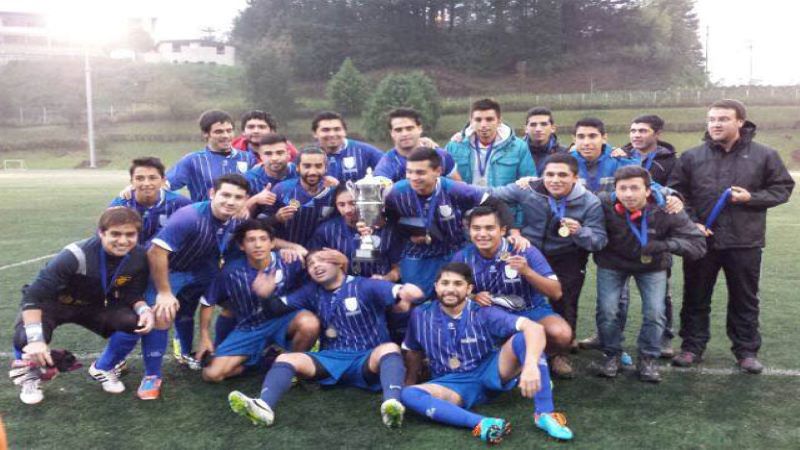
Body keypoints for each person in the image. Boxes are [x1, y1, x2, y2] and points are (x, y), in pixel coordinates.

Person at [226, 249, 425, 428]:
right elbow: (276, 309)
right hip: (330, 360)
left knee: (389, 348)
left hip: (366, 359)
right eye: (311, 264)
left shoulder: (365, 284)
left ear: (338, 263)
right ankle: (264, 406)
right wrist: (266, 296)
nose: (316, 266)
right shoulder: (311, 292)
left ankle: (391, 404)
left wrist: (406, 291)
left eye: (322, 260)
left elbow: (405, 293)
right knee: (286, 358)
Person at [668, 99, 795, 373]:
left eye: (723, 119)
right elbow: (676, 194)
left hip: (744, 241)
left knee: (744, 298)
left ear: (740, 122)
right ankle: (691, 347)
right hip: (701, 241)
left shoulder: (764, 155)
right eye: (711, 119)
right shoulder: (691, 157)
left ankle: (746, 351)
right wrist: (692, 224)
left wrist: (752, 197)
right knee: (695, 296)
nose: (715, 124)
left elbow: (783, 188)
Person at [400, 263, 573, 444]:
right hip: (452, 384)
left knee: (524, 339)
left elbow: (534, 327)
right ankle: (483, 423)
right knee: (409, 395)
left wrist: (530, 366)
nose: (450, 289)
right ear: (436, 286)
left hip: (490, 372)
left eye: (458, 284)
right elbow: (413, 349)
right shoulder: (420, 314)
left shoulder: (485, 312)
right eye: (445, 283)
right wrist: (409, 381)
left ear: (469, 289)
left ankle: (545, 414)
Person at [9, 208, 154, 404]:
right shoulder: (75, 255)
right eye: (115, 234)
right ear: (101, 233)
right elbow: (33, 296)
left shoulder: (139, 257)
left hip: (95, 305)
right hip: (55, 303)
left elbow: (132, 294)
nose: (123, 241)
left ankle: (103, 367)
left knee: (134, 322)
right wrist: (35, 339)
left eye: (130, 235)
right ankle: (30, 375)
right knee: (26, 335)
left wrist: (143, 309)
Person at [491, 153, 606, 377]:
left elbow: (599, 240)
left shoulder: (589, 201)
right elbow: (493, 196)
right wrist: (512, 227)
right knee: (514, 296)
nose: (555, 180)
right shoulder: (528, 189)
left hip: (567, 255)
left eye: (562, 175)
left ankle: (558, 355)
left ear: (575, 177)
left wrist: (580, 231)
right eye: (549, 174)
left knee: (564, 301)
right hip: (529, 251)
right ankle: (509, 346)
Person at [136, 174, 250, 399]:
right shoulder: (189, 216)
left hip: (200, 269)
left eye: (238, 197)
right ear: (212, 194)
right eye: (225, 195)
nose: (230, 201)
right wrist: (165, 292)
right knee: (162, 313)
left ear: (245, 200)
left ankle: (191, 351)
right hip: (169, 269)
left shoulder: (238, 219)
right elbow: (157, 251)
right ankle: (151, 376)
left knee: (200, 306)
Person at [594, 166, 706, 382]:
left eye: (635, 188)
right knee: (607, 311)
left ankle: (648, 358)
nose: (628, 194)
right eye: (622, 188)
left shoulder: (667, 208)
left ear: (648, 190)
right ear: (614, 190)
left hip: (652, 266)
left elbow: (697, 244)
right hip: (612, 264)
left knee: (655, 313)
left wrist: (665, 244)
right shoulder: (603, 203)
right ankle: (611, 355)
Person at [452, 204, 574, 373]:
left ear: (502, 230)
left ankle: (545, 356)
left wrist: (527, 272)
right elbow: (450, 293)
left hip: (530, 309)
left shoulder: (524, 250)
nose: (482, 234)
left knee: (561, 334)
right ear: (469, 230)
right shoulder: (463, 256)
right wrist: (473, 297)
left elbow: (556, 292)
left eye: (489, 228)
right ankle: (504, 355)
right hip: (492, 313)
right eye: (476, 228)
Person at [197, 219, 320, 382]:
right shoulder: (230, 271)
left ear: (272, 243)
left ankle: (291, 366)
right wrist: (204, 336)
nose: (258, 245)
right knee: (211, 374)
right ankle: (267, 361)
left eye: (263, 239)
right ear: (242, 246)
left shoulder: (290, 261)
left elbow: (313, 281)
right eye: (251, 240)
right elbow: (207, 301)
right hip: (250, 327)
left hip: (283, 320)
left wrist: (297, 250)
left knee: (309, 323)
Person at [384, 147, 492, 297]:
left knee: (457, 296)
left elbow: (491, 201)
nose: (414, 177)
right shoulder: (397, 192)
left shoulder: (454, 188)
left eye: (420, 172)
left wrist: (512, 231)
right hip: (418, 251)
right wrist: (408, 235)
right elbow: (390, 219)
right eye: (409, 172)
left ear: (438, 171)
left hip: (453, 249)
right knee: (415, 297)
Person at [622, 114, 679, 357]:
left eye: (642, 131)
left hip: (655, 231)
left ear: (657, 134)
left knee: (661, 290)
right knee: (616, 292)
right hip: (624, 230)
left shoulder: (670, 162)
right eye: (633, 130)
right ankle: (608, 335)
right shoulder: (620, 157)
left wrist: (675, 198)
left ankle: (664, 337)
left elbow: (676, 191)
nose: (636, 135)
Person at [309, 185, 402, 281]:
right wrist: (344, 264)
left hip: (380, 287)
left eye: (353, 203)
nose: (347, 210)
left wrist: (386, 279)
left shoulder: (386, 229)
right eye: (341, 205)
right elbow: (315, 265)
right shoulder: (326, 231)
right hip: (344, 289)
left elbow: (398, 268)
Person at [166, 110, 258, 202]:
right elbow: (164, 186)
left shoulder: (248, 158)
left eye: (229, 131)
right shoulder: (192, 160)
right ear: (205, 134)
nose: (226, 135)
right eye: (219, 132)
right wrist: (186, 206)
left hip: (240, 215)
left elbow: (257, 190)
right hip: (205, 216)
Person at [446, 98, 537, 187]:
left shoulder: (519, 147)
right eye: (478, 120)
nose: (483, 125)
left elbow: (529, 186)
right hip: (464, 202)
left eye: (489, 119)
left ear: (499, 120)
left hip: (503, 202)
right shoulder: (454, 146)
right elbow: (440, 180)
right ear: (471, 121)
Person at [258, 147, 336, 248]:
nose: (312, 172)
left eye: (318, 166)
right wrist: (276, 218)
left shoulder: (334, 191)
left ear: (325, 168)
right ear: (297, 167)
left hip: (322, 251)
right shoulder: (281, 189)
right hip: (288, 251)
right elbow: (259, 223)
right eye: (307, 166)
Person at [109, 157, 191, 244]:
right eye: (140, 178)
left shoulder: (180, 204)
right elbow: (105, 237)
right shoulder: (120, 205)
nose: (146, 183)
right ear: (132, 181)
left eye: (152, 178)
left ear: (163, 181)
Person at [373, 107, 460, 183]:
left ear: (419, 129)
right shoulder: (385, 165)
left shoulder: (442, 156)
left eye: (409, 128)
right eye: (398, 130)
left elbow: (460, 190)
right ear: (392, 133)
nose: (404, 134)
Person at [311, 111, 383, 183]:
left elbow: (389, 172)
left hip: (356, 194)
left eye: (337, 129)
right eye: (326, 130)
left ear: (345, 131)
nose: (332, 134)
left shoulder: (365, 151)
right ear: (315, 133)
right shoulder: (306, 155)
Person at [232, 110, 299, 161]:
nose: (256, 131)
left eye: (262, 127)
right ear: (243, 131)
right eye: (251, 127)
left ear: (272, 131)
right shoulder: (232, 150)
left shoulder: (288, 150)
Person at [523, 107, 567, 174]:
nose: (538, 129)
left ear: (553, 128)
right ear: (526, 129)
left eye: (544, 124)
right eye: (533, 125)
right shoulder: (516, 152)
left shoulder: (564, 153)